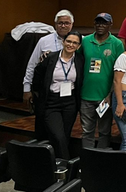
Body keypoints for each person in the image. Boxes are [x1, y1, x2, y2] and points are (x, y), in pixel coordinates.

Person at [32, 31, 84, 159]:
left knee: (65, 135)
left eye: (75, 43)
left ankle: (56, 164)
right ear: (63, 42)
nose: (71, 45)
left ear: (78, 46)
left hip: (70, 102)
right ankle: (66, 166)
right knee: (58, 135)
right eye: (69, 41)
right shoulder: (50, 58)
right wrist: (37, 94)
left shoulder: (80, 60)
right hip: (52, 102)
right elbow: (37, 75)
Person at [24, 9, 74, 140]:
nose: (63, 26)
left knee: (65, 131)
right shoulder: (44, 41)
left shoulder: (78, 41)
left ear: (72, 25)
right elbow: (32, 65)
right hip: (45, 92)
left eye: (67, 23)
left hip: (69, 95)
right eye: (60, 23)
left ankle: (60, 158)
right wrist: (26, 88)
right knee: (43, 127)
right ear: (55, 24)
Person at [79, 13, 124, 148]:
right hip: (86, 95)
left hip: (105, 97)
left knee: (104, 132)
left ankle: (100, 161)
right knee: (87, 131)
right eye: (98, 22)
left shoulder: (117, 44)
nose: (100, 25)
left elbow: (119, 73)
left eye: (104, 23)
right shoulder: (85, 41)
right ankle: (87, 161)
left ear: (110, 25)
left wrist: (111, 95)